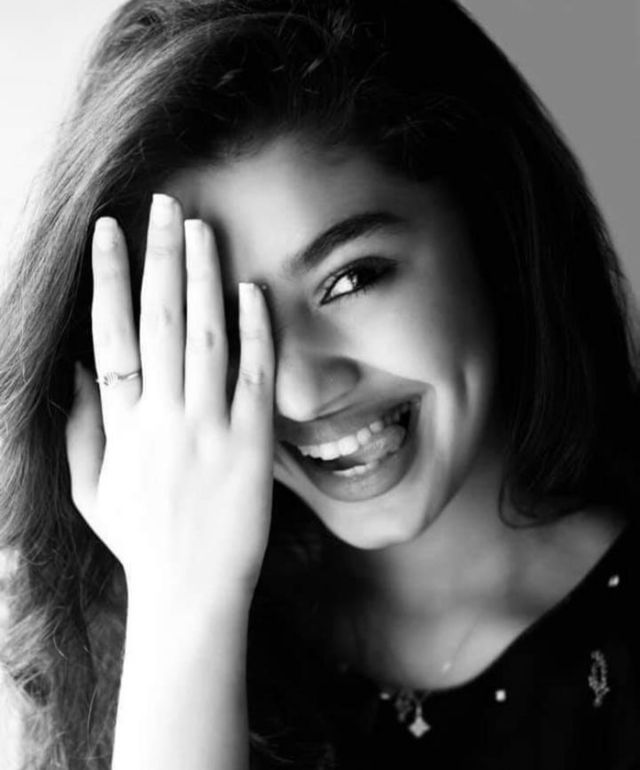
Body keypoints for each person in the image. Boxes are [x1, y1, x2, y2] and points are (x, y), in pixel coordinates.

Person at [0, 0, 639, 767]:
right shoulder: (110, 646)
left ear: (491, 220)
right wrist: (179, 603)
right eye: (221, 329)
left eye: (351, 279)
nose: (300, 393)